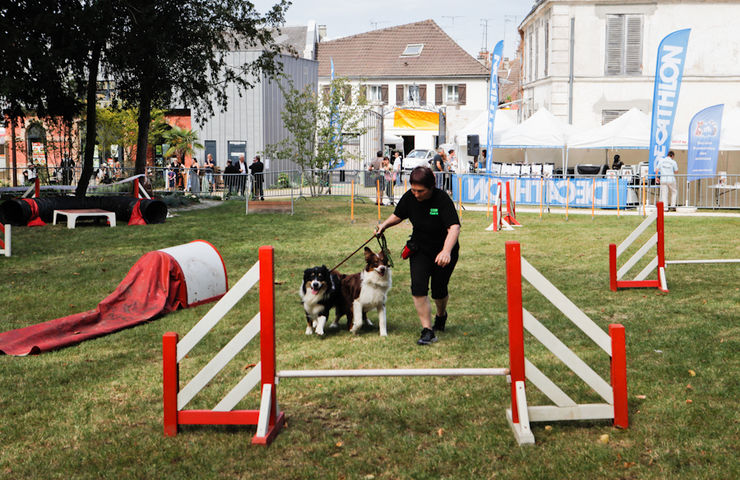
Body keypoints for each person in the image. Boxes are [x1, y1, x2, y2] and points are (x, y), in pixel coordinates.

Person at [375, 166, 461, 346]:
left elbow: (454, 227)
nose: (416, 194)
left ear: (431, 187)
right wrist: (384, 225)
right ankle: (427, 330)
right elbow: (398, 215)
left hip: (443, 251)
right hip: (420, 249)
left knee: (439, 290)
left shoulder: (442, 200)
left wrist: (446, 251)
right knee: (418, 287)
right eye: (413, 189)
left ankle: (441, 315)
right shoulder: (410, 197)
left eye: (420, 191)